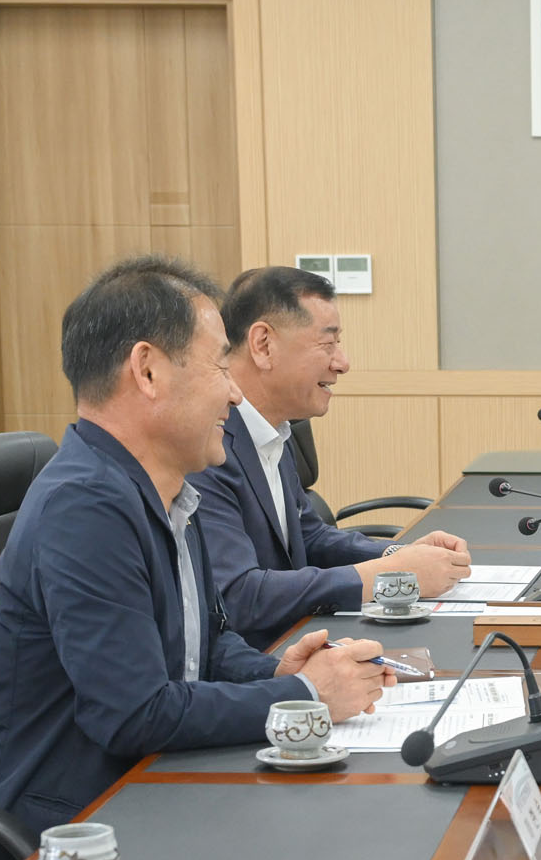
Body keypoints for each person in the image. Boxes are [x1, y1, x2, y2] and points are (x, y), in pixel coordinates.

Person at [0, 257, 392, 858]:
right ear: (148, 371)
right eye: (219, 366)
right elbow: (133, 714)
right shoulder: (86, 507)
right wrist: (305, 694)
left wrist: (275, 674)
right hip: (58, 846)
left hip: (146, 793)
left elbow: (204, 644)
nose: (234, 391)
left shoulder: (165, 487)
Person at [198, 266, 472, 649]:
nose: (342, 362)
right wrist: (387, 574)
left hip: (300, 639)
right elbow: (239, 594)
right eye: (328, 344)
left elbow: (308, 536)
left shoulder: (274, 429)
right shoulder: (207, 447)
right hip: (259, 660)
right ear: (263, 345)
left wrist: (401, 553)